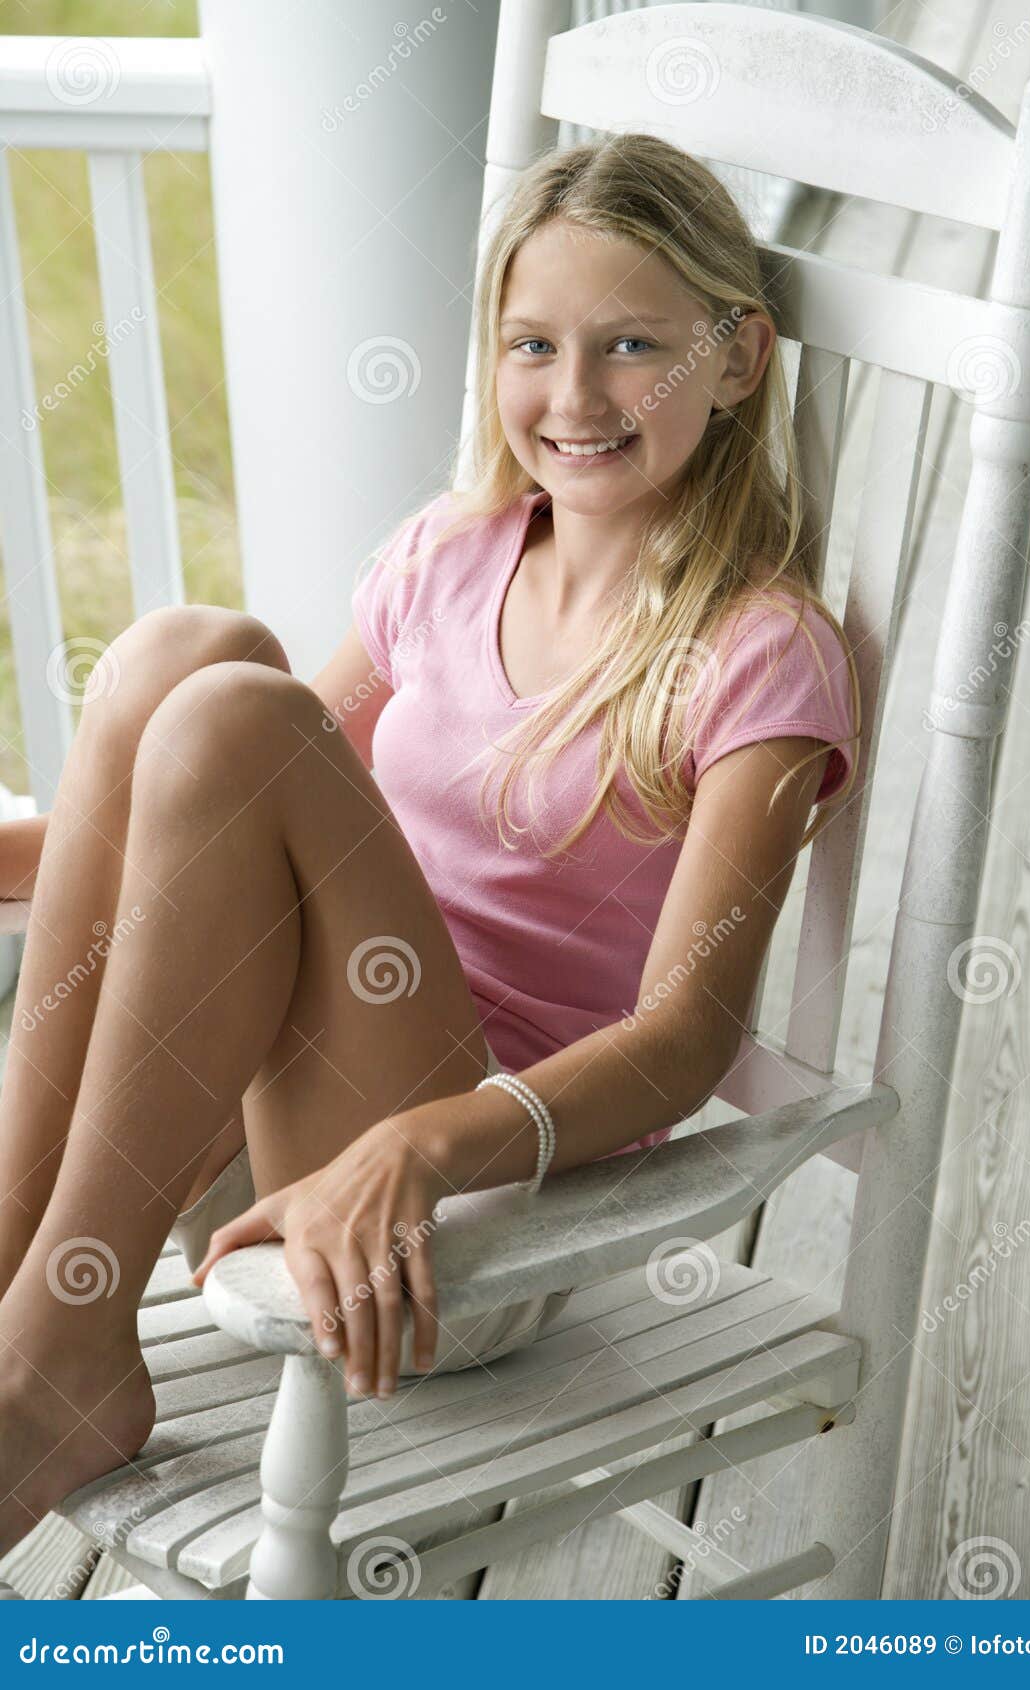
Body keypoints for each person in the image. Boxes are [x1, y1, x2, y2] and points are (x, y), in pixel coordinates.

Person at [0, 132, 858, 1558]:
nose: (573, 397)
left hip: (456, 1218)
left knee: (235, 711)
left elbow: (688, 1035)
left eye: (632, 345)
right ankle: (21, 1265)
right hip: (277, 1140)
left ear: (738, 357)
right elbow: (205, 813)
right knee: (182, 658)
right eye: (533, 343)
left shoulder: (760, 654)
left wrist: (418, 1139)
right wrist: (41, 849)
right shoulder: (454, 554)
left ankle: (52, 1361)